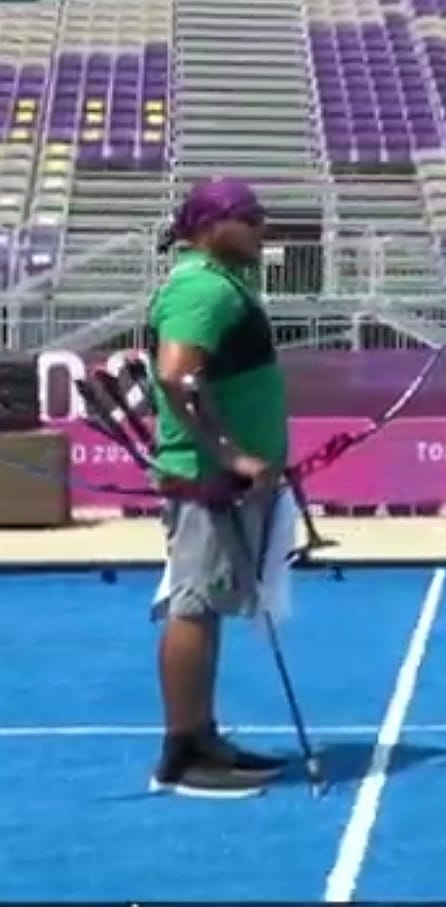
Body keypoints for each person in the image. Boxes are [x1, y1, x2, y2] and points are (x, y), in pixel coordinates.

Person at [144, 177, 292, 798]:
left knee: (205, 604)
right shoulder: (202, 288)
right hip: (208, 478)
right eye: (249, 217)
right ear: (210, 227)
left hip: (220, 477)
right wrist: (230, 455)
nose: (261, 228)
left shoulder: (220, 285)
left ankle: (201, 737)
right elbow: (176, 377)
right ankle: (183, 753)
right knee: (195, 604)